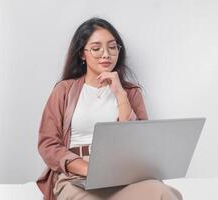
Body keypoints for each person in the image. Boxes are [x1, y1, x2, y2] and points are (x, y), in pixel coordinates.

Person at [36, 17, 183, 200]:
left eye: (112, 47)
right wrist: (85, 168)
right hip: (76, 174)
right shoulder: (64, 90)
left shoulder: (130, 92)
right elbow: (48, 144)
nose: (106, 54)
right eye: (96, 48)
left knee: (161, 192)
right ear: (82, 54)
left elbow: (140, 143)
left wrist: (120, 94)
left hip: (121, 172)